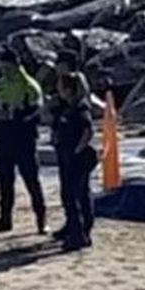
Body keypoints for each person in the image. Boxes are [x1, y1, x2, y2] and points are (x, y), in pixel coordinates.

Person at [0, 48, 47, 235]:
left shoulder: (30, 85)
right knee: (5, 182)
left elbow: (36, 113)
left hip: (24, 141)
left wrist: (16, 116)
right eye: (2, 67)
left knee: (31, 181)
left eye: (8, 67)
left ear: (16, 65)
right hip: (4, 140)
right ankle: (5, 219)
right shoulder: (0, 85)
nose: (5, 71)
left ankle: (41, 219)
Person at [52, 72, 99, 251]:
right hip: (66, 154)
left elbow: (88, 131)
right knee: (76, 193)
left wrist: (76, 150)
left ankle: (79, 233)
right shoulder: (65, 106)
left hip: (76, 158)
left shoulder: (80, 108)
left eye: (61, 87)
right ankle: (76, 229)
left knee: (72, 195)